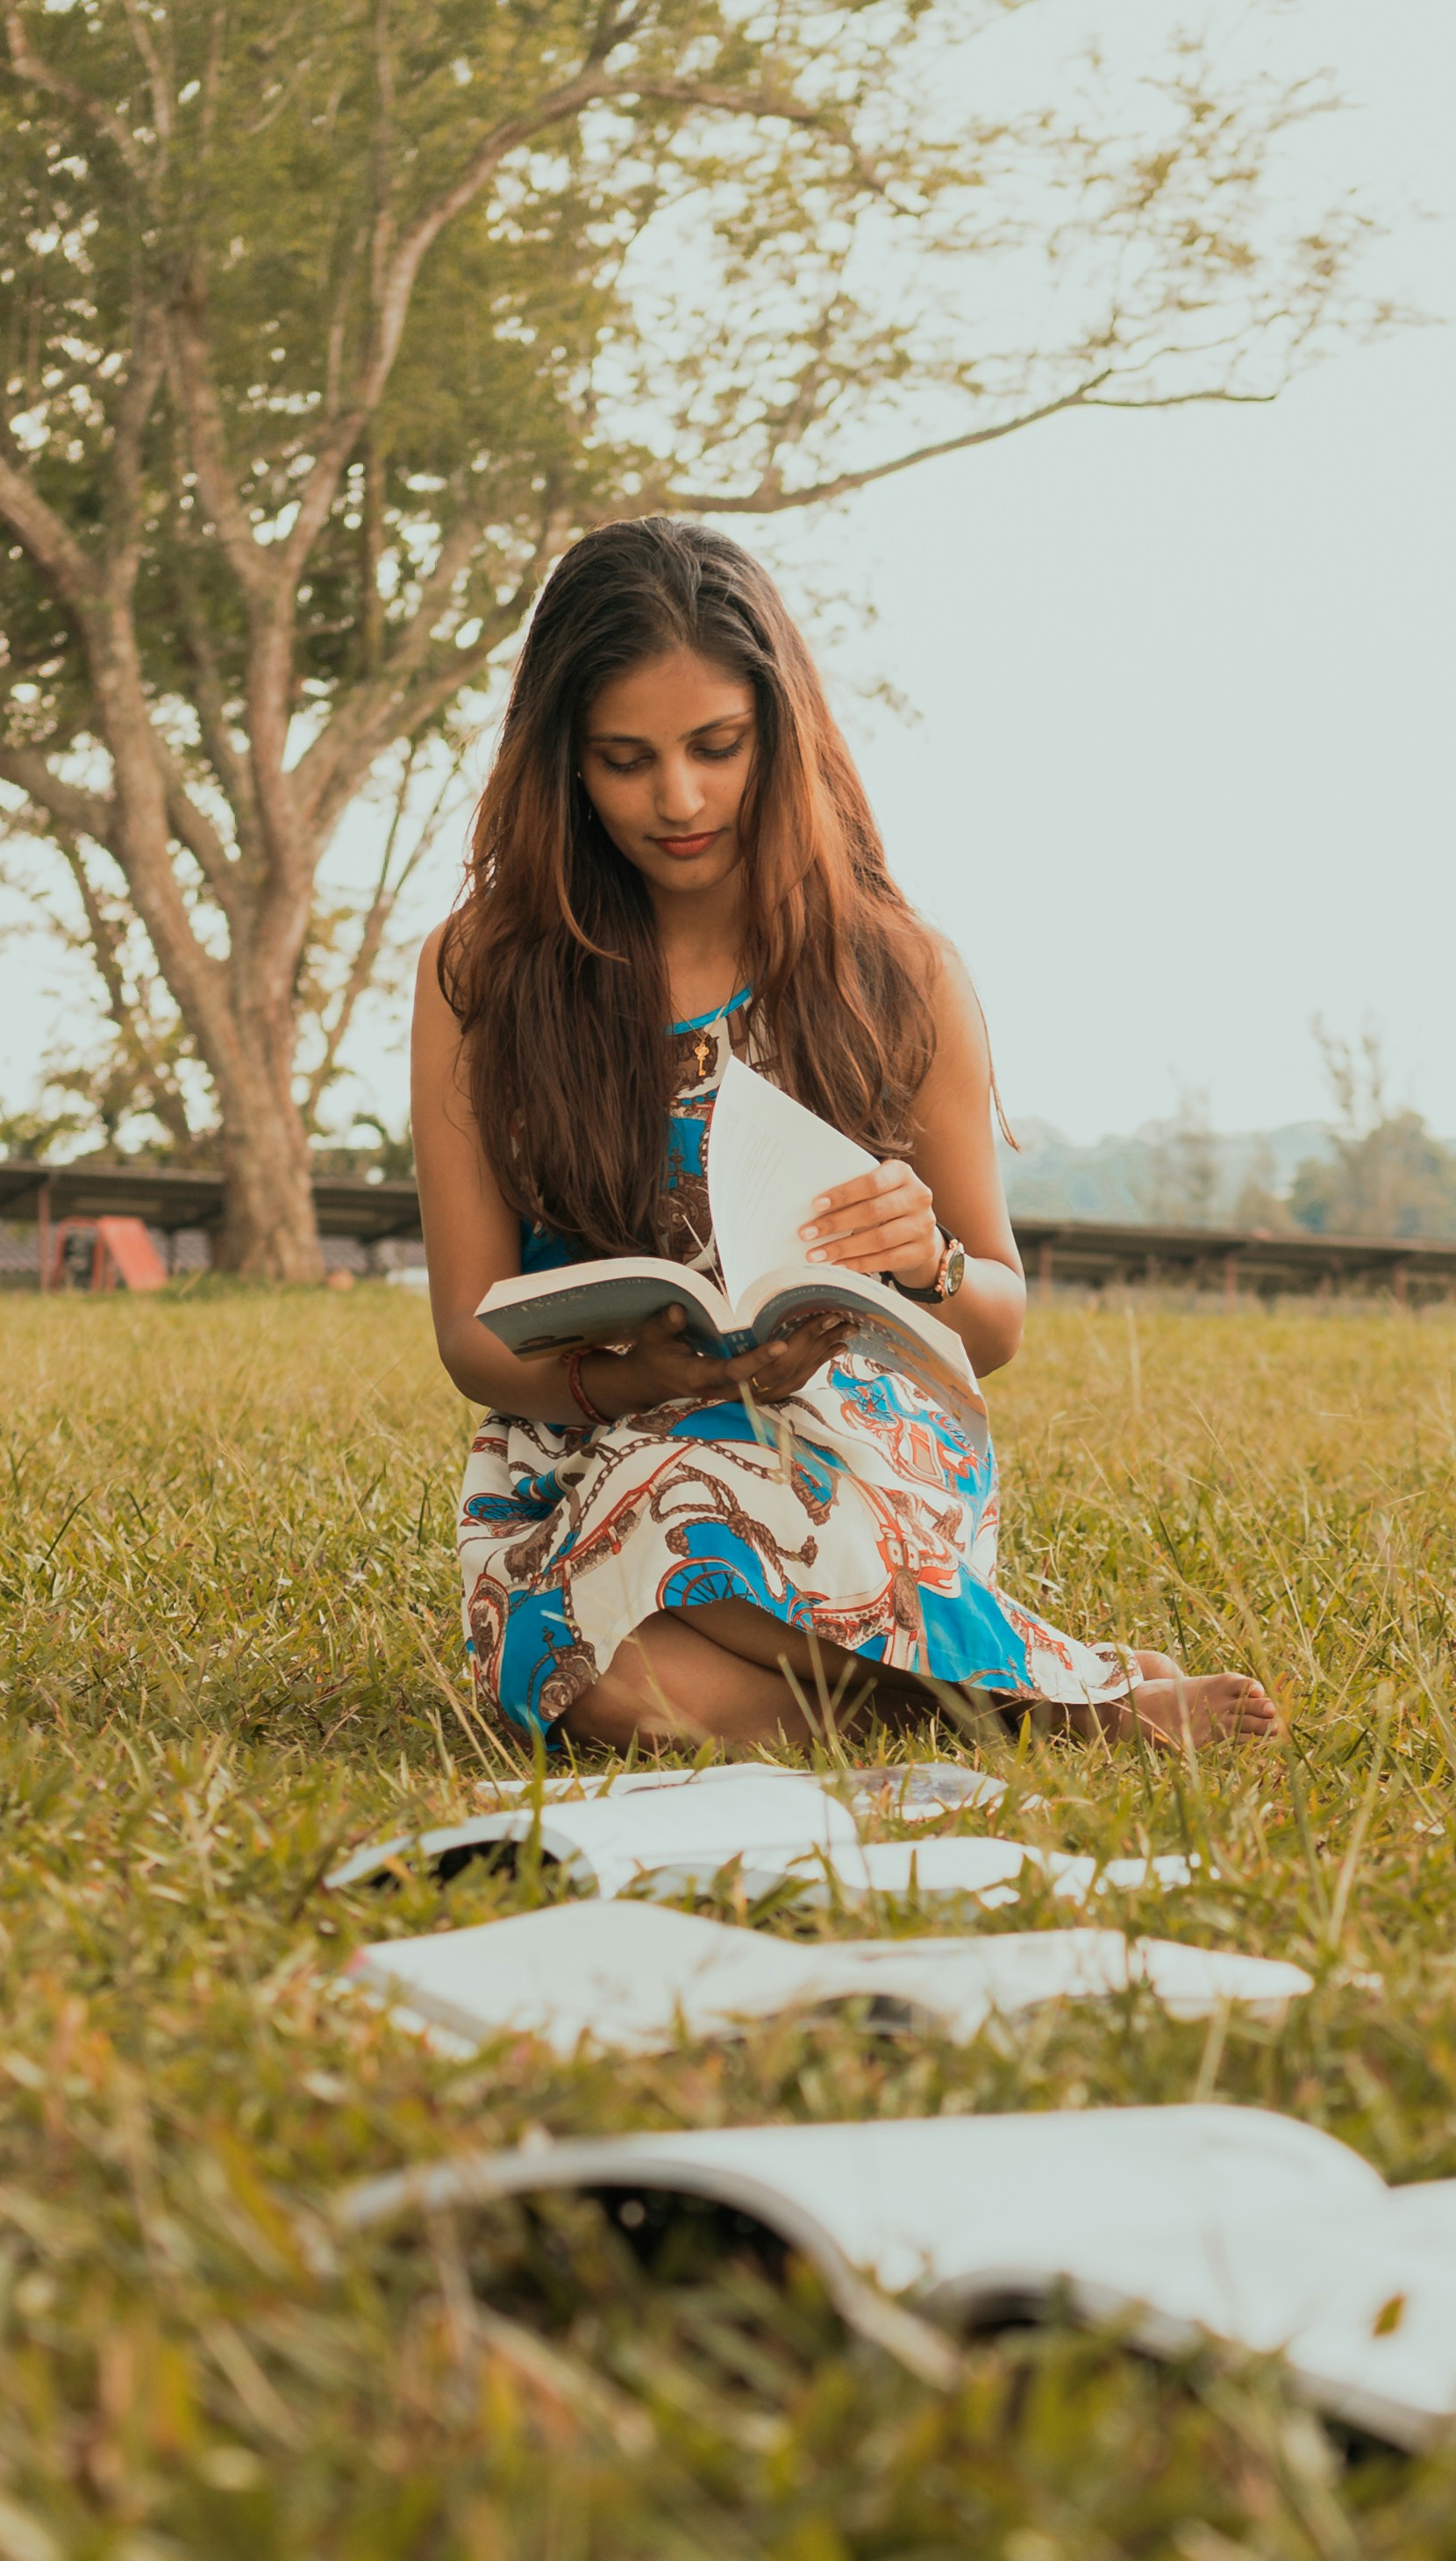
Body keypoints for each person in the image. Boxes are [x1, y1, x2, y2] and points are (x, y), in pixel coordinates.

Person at [410, 519, 1283, 1753]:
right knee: (596, 1682)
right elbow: (470, 1340)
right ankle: (1053, 1705)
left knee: (687, 1521)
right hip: (581, 1451)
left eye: (717, 747)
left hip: (840, 1445)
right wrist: (646, 1376)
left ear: (784, 731)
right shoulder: (478, 973)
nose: (678, 798)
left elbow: (992, 1320)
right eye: (623, 759)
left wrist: (920, 1260)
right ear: (561, 764)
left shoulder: (900, 971)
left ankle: (1038, 1703)